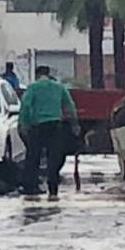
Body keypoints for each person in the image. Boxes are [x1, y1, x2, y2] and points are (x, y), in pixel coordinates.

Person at [18, 65, 78, 199]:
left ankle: (31, 186)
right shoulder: (59, 87)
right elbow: (70, 105)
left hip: (37, 127)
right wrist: (75, 124)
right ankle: (53, 188)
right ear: (48, 73)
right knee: (54, 157)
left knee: (33, 157)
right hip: (55, 126)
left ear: (37, 74)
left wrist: (24, 124)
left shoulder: (33, 88)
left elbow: (25, 106)